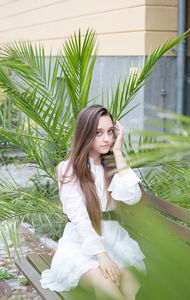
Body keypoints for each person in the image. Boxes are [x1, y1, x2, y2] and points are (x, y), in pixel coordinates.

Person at [40, 104, 146, 300]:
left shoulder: (113, 165)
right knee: (105, 282)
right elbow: (79, 218)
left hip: (116, 241)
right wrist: (101, 255)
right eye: (98, 132)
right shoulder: (68, 169)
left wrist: (119, 153)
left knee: (132, 284)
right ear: (85, 134)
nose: (107, 138)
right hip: (81, 245)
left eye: (110, 132)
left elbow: (133, 197)